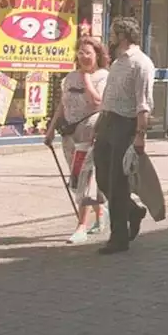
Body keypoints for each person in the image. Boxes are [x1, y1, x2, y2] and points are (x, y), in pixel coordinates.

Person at [90, 16, 155, 254]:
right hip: (107, 122)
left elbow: (143, 103)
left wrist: (140, 135)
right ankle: (133, 211)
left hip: (125, 125)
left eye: (113, 33)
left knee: (117, 182)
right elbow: (108, 96)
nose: (110, 36)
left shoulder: (142, 63)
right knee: (102, 179)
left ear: (123, 36)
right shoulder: (117, 62)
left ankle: (119, 238)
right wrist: (98, 126)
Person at [44, 36, 110, 244]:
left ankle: (81, 226)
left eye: (88, 53)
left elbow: (98, 102)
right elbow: (62, 105)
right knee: (82, 177)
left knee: (81, 178)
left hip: (90, 132)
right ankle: (100, 214)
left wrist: (87, 80)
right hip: (69, 133)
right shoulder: (69, 77)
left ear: (98, 55)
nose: (83, 57)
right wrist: (51, 128)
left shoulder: (103, 76)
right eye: (80, 52)